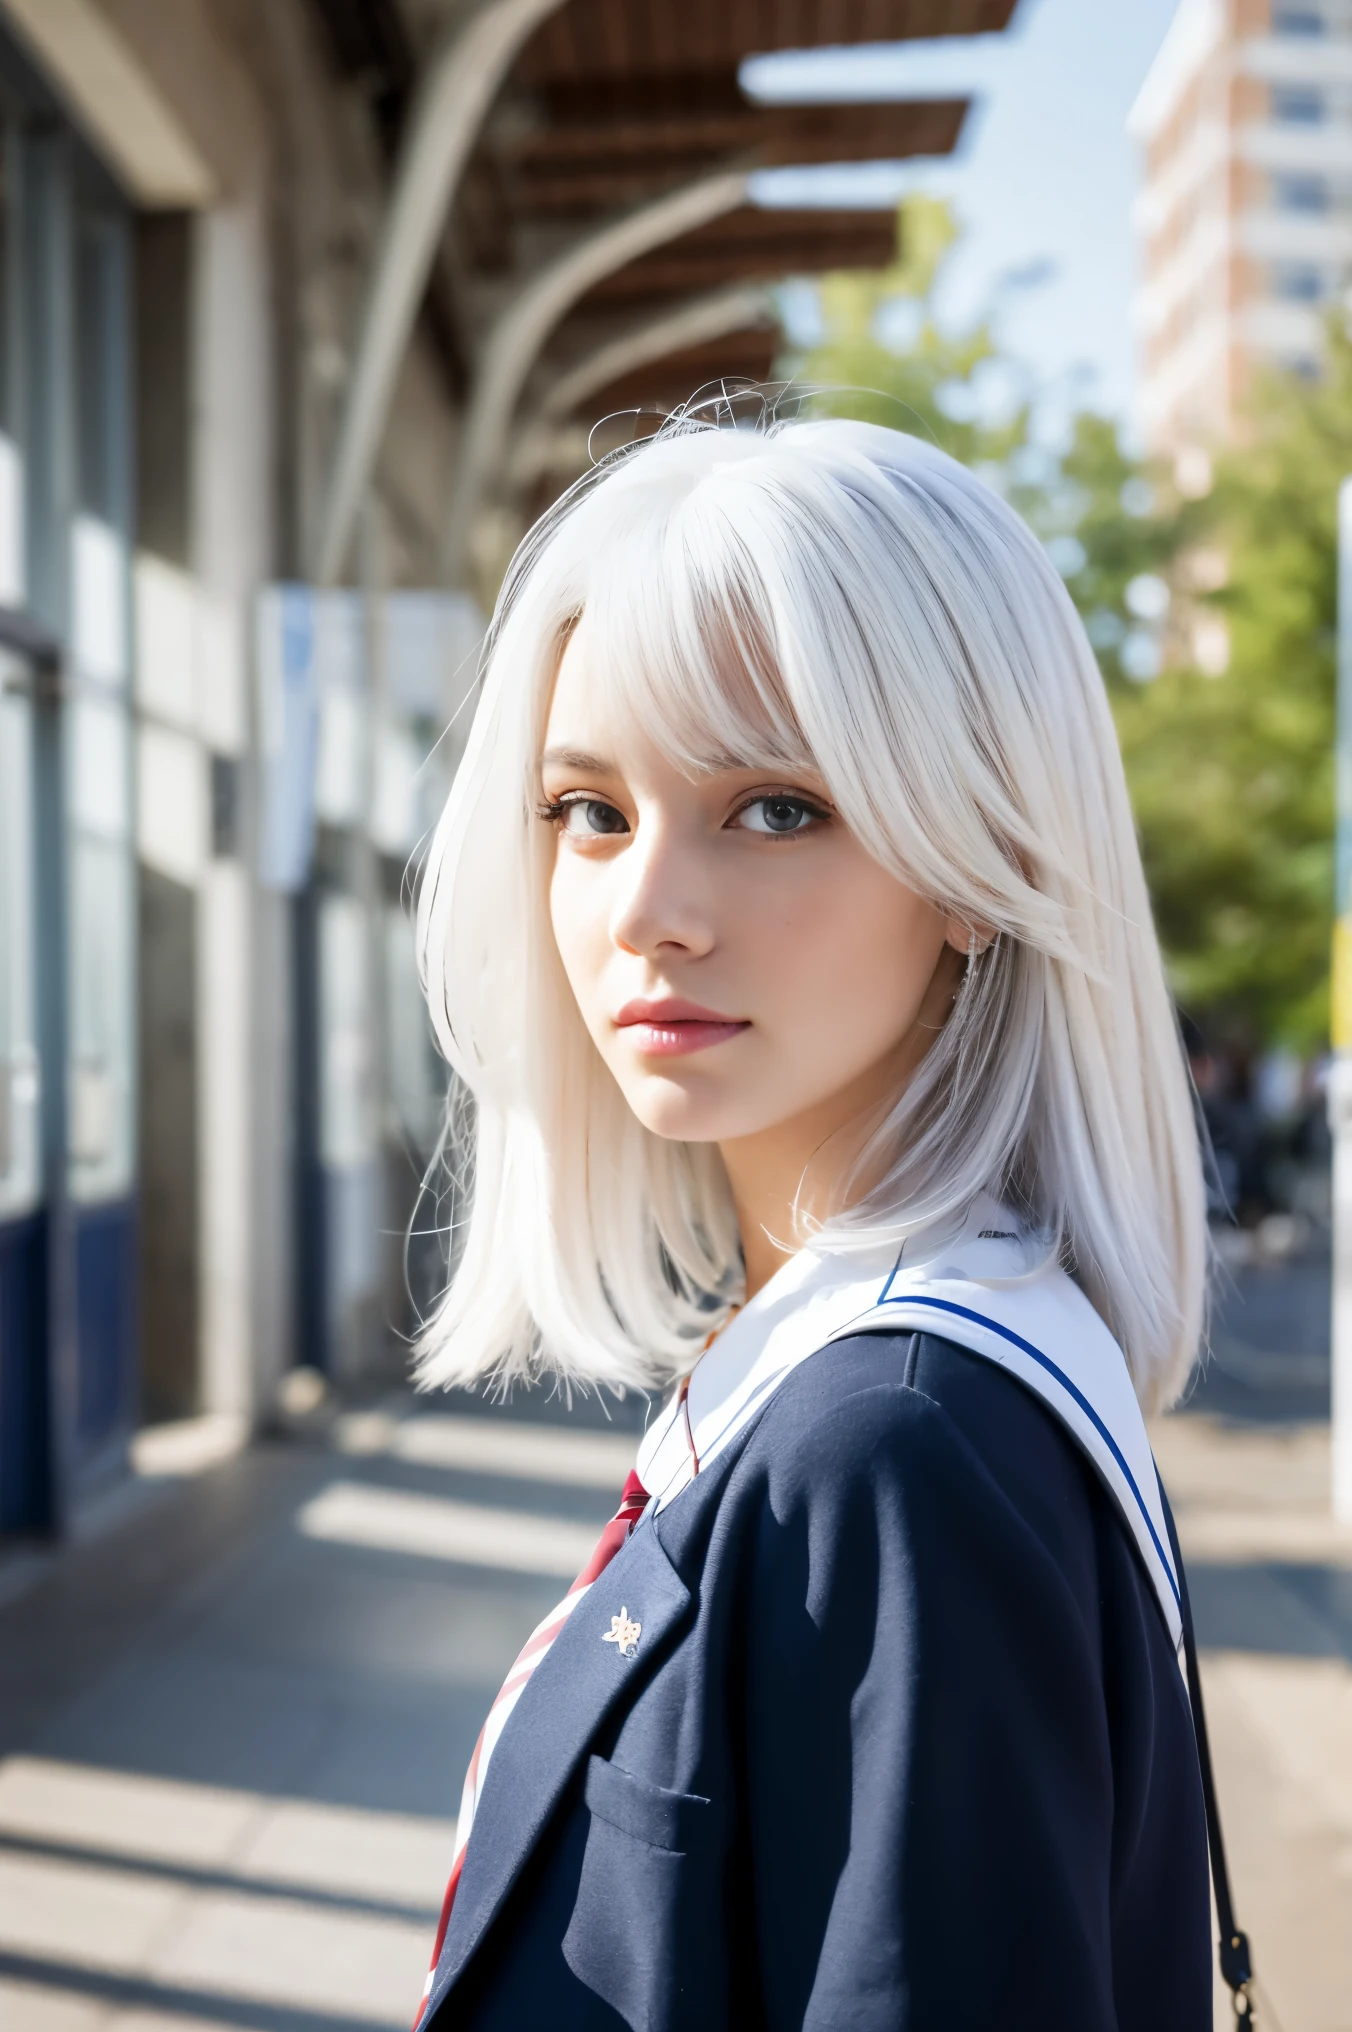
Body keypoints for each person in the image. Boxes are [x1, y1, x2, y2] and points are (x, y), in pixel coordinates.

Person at [411, 413, 1213, 2030]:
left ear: (980, 864)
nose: (646, 910)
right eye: (589, 810)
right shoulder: (894, 1373)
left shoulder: (903, 1450)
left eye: (774, 806)